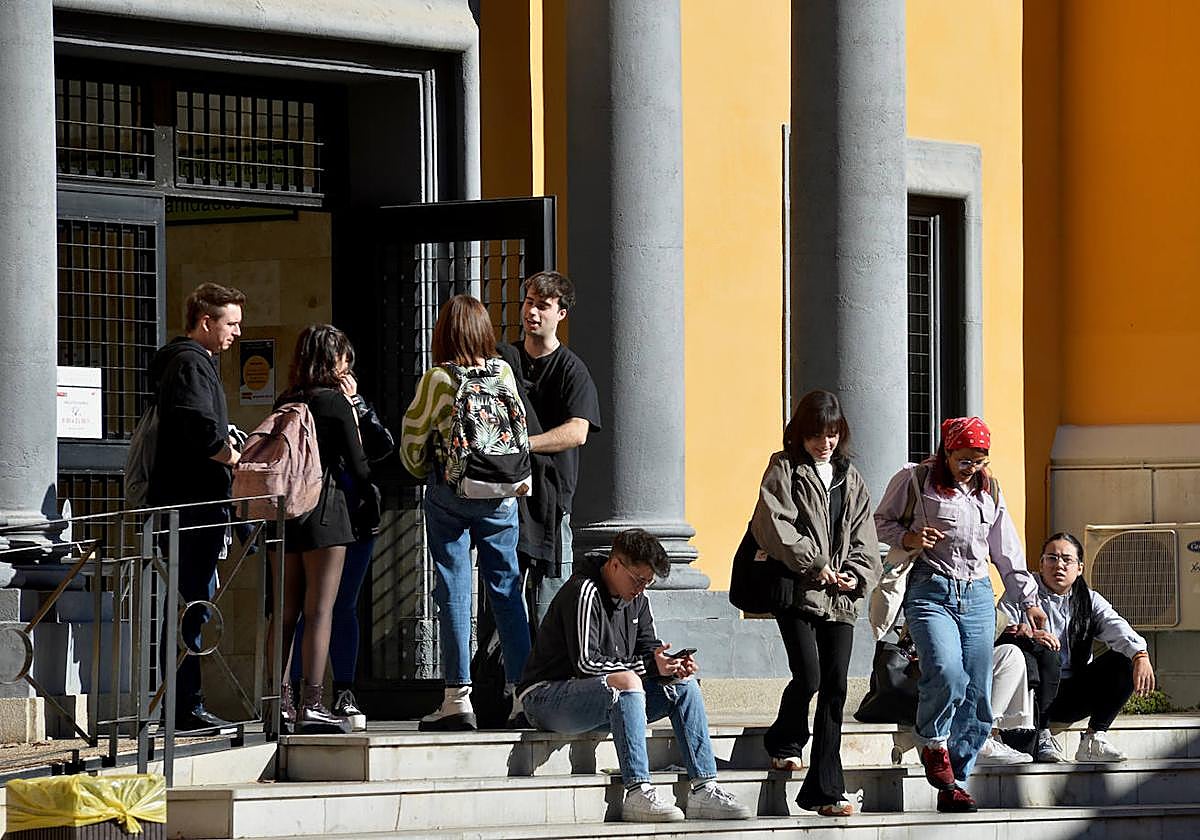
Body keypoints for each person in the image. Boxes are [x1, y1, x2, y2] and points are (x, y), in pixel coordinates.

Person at [518, 529, 753, 823]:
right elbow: (586, 664)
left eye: (647, 582)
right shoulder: (584, 590)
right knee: (628, 680)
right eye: (638, 580)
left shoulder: (638, 601)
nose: (641, 588)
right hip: (547, 699)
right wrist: (649, 667)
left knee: (683, 685)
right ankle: (638, 790)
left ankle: (704, 788)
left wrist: (670, 665)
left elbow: (648, 649)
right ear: (615, 564)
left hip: (603, 700)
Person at [874, 416, 1046, 813]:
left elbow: (1007, 551)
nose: (973, 468)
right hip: (930, 588)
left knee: (978, 691)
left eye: (980, 460)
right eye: (965, 459)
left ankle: (956, 781)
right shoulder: (915, 480)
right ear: (948, 452)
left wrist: (1029, 599)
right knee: (947, 671)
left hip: (979, 594)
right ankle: (933, 742)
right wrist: (909, 538)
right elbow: (879, 523)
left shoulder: (991, 490)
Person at [400, 295, 532, 730]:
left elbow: (413, 444)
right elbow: (519, 432)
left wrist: (428, 473)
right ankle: (522, 694)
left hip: (452, 492)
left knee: (454, 590)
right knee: (507, 592)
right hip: (501, 493)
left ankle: (457, 698)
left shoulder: (438, 378)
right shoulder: (503, 370)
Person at [749, 390, 881, 816]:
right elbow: (771, 524)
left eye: (831, 434)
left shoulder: (851, 477)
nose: (824, 443)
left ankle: (825, 788)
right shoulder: (784, 468)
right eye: (815, 434)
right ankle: (784, 739)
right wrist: (817, 564)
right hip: (798, 592)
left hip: (840, 600)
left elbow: (867, 538)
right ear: (800, 434)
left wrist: (855, 574)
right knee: (809, 677)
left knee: (836, 688)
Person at [148, 281, 245, 732]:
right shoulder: (189, 364)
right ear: (206, 322)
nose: (237, 333)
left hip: (193, 505)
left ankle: (185, 700)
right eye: (231, 323)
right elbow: (200, 430)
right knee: (191, 604)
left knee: (193, 603)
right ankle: (184, 704)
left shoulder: (192, 363)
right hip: (192, 506)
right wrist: (231, 454)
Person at [268, 324, 371, 730]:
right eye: (345, 357)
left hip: (284, 514)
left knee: (285, 610)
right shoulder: (334, 403)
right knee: (321, 610)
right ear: (335, 362)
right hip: (326, 514)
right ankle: (313, 702)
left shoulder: (286, 400)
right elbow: (360, 466)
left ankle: (278, 702)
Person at [289, 354, 394, 731]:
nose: (346, 375)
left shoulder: (342, 403)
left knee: (339, 606)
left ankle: (340, 692)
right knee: (316, 608)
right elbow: (367, 460)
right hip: (325, 515)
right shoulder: (312, 403)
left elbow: (382, 445)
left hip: (352, 517)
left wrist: (360, 407)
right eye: (342, 366)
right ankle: (303, 694)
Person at [997, 531, 1155, 763]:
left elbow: (1116, 626)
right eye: (1051, 558)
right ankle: (1041, 734)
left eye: (1067, 559)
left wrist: (1140, 654)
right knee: (1045, 652)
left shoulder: (1088, 599)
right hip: (1031, 694)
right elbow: (1000, 629)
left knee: (1124, 659)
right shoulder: (1020, 594)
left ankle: (1094, 738)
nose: (1058, 565)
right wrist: (1027, 634)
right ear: (1041, 564)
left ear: (1079, 568)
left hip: (1072, 693)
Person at [500, 271, 601, 623]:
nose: (532, 312)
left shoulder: (572, 370)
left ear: (561, 314)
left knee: (549, 607)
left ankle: (548, 676)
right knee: (501, 601)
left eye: (543, 306)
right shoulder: (504, 360)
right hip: (505, 496)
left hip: (553, 502)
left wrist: (523, 444)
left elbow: (577, 432)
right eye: (528, 303)